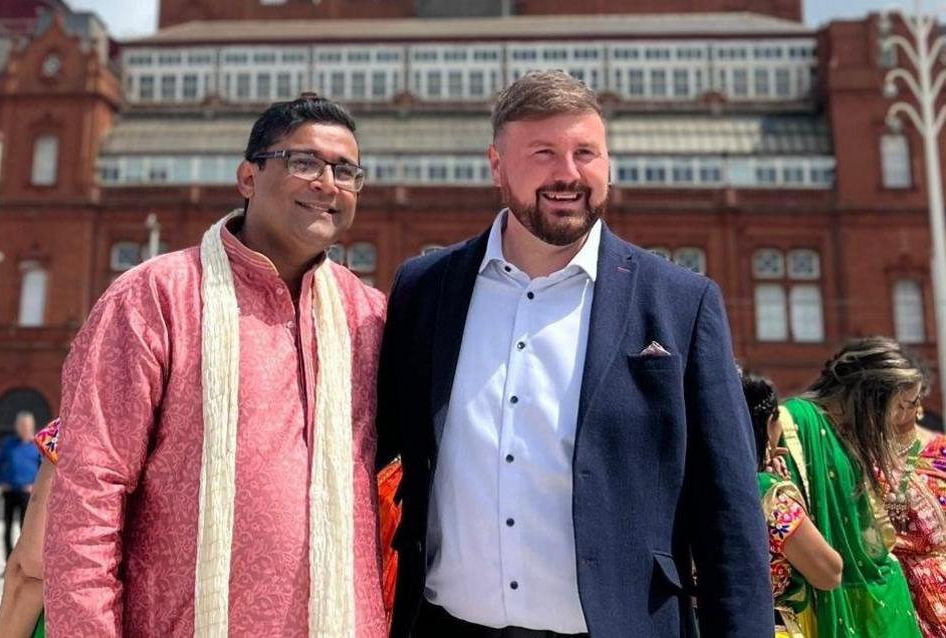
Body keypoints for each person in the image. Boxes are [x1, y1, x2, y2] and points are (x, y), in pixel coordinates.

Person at [376, 70, 771, 637]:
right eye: (543, 152)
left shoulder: (682, 303)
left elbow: (729, 515)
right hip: (445, 625)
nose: (568, 173)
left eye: (586, 152)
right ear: (496, 165)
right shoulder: (425, 289)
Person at [44, 94, 388, 636]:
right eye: (304, 163)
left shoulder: (368, 316)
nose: (329, 183)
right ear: (248, 178)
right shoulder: (157, 298)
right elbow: (90, 490)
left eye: (346, 171)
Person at [778, 336, 923, 637]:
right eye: (899, 405)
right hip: (823, 592)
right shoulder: (794, 422)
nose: (899, 419)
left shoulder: (847, 437)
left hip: (878, 600)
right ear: (872, 394)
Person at [741, 369, 842, 636]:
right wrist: (785, 492)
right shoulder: (768, 494)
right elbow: (828, 572)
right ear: (769, 423)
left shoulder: (684, 483)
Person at [888, 365, 946, 636]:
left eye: (906, 402)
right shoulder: (869, 457)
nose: (898, 411)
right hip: (896, 589)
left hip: (939, 581)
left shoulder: (939, 451)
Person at [0, 418, 59, 638]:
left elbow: (30, 569)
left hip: (78, 617)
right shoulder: (9, 445)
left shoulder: (78, 426)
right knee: (7, 529)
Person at [0, 411, 41, 559]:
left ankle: (22, 561)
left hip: (28, 494)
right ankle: (9, 562)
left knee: (25, 529)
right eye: (21, 425)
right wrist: (1, 481)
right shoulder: (8, 444)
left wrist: (35, 486)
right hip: (9, 492)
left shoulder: (37, 446)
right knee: (7, 528)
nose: (24, 428)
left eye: (27, 425)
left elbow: (43, 470)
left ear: (32, 426)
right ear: (17, 426)